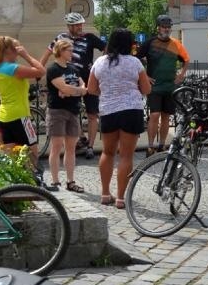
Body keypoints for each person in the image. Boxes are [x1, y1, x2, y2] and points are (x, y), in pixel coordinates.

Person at [87, 28, 152, 208]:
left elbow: (91, 89)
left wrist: (107, 91)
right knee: (126, 155)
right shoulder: (135, 63)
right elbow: (146, 90)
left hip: (108, 110)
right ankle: (121, 197)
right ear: (129, 44)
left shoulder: (100, 62)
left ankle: (105, 193)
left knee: (107, 153)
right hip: (131, 110)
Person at [41, 13, 105, 158]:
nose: (79, 27)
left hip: (89, 79)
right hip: (68, 79)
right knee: (71, 112)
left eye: (81, 24)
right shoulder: (61, 38)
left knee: (92, 114)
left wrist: (99, 64)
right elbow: (47, 53)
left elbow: (106, 48)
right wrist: (39, 70)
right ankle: (81, 138)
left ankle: (89, 146)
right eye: (76, 25)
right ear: (69, 26)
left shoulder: (89, 37)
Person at [0, 36, 44, 161]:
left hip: (4, 115)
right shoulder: (13, 68)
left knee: (10, 154)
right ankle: (33, 178)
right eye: (17, 48)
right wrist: (26, 55)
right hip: (19, 114)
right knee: (32, 152)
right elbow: (41, 71)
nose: (18, 52)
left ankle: (13, 179)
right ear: (9, 50)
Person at [138, 15, 190, 155]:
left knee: (166, 116)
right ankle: (150, 146)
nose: (166, 29)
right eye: (164, 27)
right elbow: (136, 60)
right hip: (154, 86)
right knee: (154, 115)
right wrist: (145, 76)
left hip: (169, 87)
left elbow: (186, 60)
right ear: (158, 28)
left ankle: (162, 145)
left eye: (168, 27)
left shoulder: (175, 44)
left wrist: (181, 74)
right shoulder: (150, 43)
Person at [45, 38, 87, 192]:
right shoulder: (53, 69)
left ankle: (71, 181)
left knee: (71, 147)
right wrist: (73, 90)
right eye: (69, 50)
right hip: (57, 111)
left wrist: (71, 91)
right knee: (56, 146)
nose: (72, 53)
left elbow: (83, 86)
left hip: (73, 110)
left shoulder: (73, 69)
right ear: (61, 51)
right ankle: (55, 182)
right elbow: (67, 88)